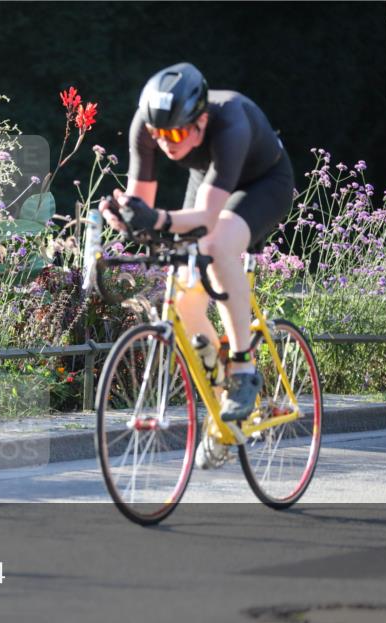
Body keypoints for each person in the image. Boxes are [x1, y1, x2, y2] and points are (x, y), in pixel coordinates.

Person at [99, 62, 294, 466]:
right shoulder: (148, 124)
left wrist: (159, 221)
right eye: (159, 134)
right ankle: (224, 411)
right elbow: (144, 208)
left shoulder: (231, 122)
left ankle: (242, 366)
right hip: (209, 179)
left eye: (176, 133)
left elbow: (205, 219)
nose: (166, 142)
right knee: (186, 300)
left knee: (218, 243)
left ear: (201, 120)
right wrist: (126, 218)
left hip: (262, 184)